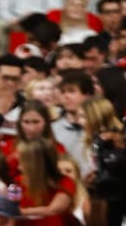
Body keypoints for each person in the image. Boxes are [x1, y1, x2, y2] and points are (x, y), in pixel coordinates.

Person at [77, 96, 126, 226]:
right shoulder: (89, 142)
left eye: (83, 117)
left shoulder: (119, 141)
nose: (79, 121)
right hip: (99, 199)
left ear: (96, 117)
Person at [16, 138, 76, 225]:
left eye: (22, 162)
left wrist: (20, 211)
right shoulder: (18, 182)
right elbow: (10, 205)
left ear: (36, 165)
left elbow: (53, 210)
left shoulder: (65, 183)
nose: (18, 167)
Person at [51, 69, 95, 174]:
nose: (65, 96)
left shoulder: (98, 126)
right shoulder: (53, 128)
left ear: (87, 95)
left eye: (71, 91)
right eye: (63, 92)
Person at [57, 153, 91, 225]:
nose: (63, 174)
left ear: (77, 174)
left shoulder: (83, 198)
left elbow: (86, 221)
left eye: (68, 171)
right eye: (59, 171)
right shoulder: (48, 196)